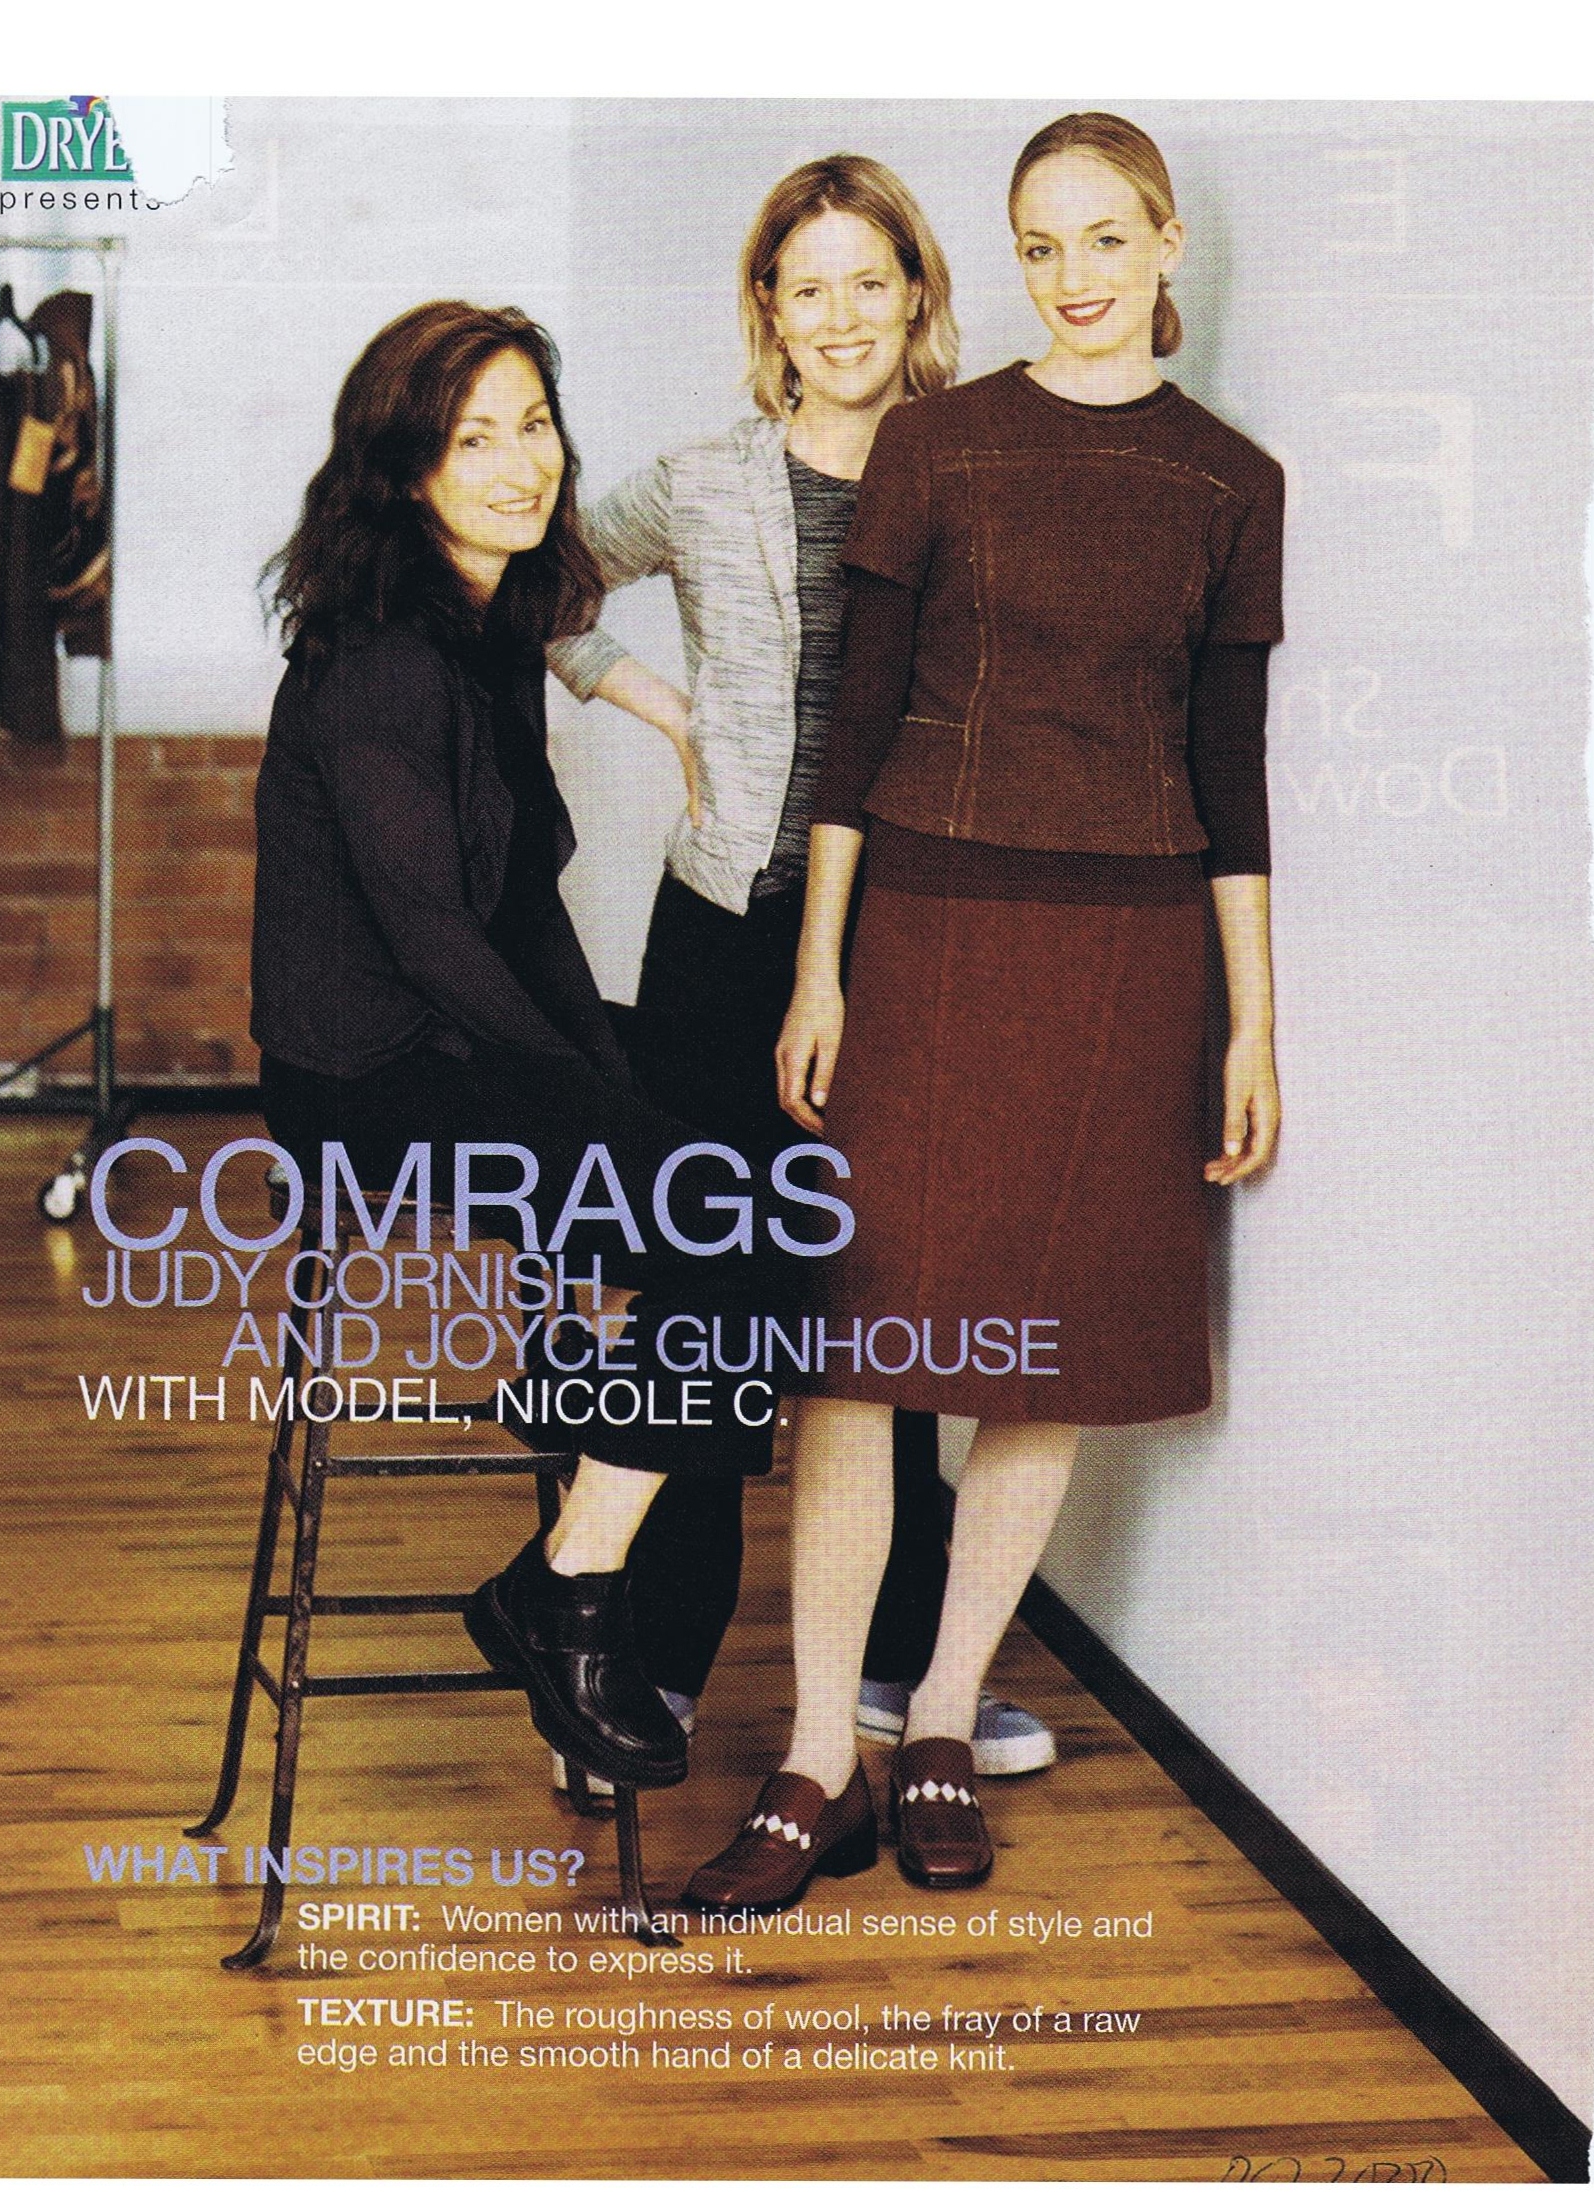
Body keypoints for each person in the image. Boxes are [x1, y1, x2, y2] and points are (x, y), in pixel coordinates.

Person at [685, 113, 1285, 1912]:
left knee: (1051, 1347)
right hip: (928, 929)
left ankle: (938, 1717)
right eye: (1039, 245)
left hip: (1132, 945)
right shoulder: (937, 446)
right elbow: (857, 730)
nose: (1072, 276)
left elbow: (1230, 773)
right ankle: (818, 1756)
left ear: (1165, 244)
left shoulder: (1229, 481)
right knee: (858, 1351)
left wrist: (1251, 1021)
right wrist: (821, 966)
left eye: (1104, 238)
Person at [548, 154, 1055, 1785]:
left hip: (912, 937)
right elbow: (541, 584)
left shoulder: (979, 469)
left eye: (867, 281)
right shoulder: (701, 481)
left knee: (878, 1298)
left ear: (916, 294)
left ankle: (902, 1669)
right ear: (766, 309)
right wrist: (661, 707)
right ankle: (642, 1669)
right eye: (805, 285)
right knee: (711, 1284)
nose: (838, 316)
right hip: (724, 934)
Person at [250, 300, 800, 1798]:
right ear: (404, 469)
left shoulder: (489, 626)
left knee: (755, 1167)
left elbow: (523, 907)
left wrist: (613, 1089)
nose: (518, 464)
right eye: (472, 438)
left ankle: (562, 1547)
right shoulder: (381, 659)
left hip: (461, 1044)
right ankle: (569, 1592)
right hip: (367, 1081)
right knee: (720, 1207)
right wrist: (598, 1114)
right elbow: (432, 939)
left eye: (533, 426)